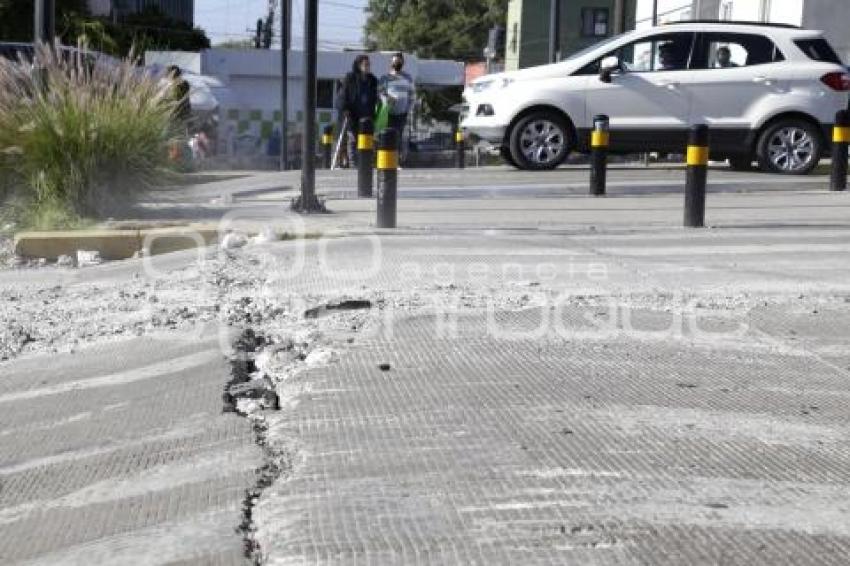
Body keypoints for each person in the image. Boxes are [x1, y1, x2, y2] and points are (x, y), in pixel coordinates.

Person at [337, 55, 378, 165]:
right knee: (353, 140)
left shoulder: (373, 80)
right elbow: (343, 95)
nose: (368, 67)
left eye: (369, 65)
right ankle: (353, 165)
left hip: (367, 116)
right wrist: (344, 108)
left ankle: (365, 165)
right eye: (365, 65)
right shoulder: (350, 78)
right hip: (353, 115)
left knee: (366, 142)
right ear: (359, 65)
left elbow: (376, 97)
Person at [378, 52, 415, 157]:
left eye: (399, 61)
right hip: (388, 113)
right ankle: (385, 159)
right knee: (387, 136)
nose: (397, 63)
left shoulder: (408, 78)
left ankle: (395, 161)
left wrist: (408, 110)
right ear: (391, 62)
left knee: (398, 137)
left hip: (402, 113)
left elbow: (412, 95)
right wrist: (387, 99)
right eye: (395, 61)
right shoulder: (385, 78)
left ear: (402, 62)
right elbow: (380, 93)